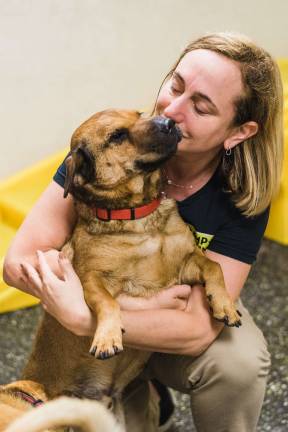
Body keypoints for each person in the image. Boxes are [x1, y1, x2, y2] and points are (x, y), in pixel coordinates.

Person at [3, 32, 283, 432]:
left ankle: (146, 383)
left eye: (201, 107)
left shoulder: (240, 192)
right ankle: (141, 394)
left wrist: (90, 315)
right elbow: (17, 264)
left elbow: (198, 329)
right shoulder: (101, 163)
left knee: (239, 363)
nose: (172, 110)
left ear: (238, 132)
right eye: (176, 85)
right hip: (104, 337)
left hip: (172, 329)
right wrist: (80, 295)